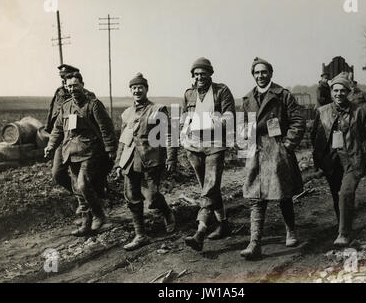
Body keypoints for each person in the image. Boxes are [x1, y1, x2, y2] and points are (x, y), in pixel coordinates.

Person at [240, 57, 306, 260]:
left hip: (277, 152)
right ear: (253, 75)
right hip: (256, 153)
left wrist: (287, 144)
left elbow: (298, 120)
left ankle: (290, 230)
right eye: (256, 73)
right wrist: (245, 135)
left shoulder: (282, 95)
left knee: (282, 194)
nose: (260, 76)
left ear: (270, 74)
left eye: (264, 72)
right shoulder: (247, 99)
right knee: (255, 198)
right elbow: (246, 124)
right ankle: (255, 243)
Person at [44, 72, 117, 236]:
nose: (72, 89)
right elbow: (58, 130)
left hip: (90, 152)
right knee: (77, 188)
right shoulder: (66, 106)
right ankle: (86, 222)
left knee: (83, 184)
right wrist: (50, 146)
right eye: (69, 86)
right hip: (71, 153)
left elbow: (106, 129)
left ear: (82, 85)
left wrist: (111, 149)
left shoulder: (94, 105)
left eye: (75, 85)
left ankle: (99, 215)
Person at [311, 72, 366, 246]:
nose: (339, 94)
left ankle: (344, 233)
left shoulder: (360, 112)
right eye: (336, 90)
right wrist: (317, 162)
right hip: (331, 160)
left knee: (345, 193)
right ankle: (344, 225)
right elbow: (315, 138)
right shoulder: (322, 112)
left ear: (348, 92)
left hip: (353, 158)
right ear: (331, 92)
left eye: (342, 91)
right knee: (336, 195)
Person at [114, 73, 177, 251]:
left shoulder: (158, 109)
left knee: (153, 198)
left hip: (151, 158)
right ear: (130, 90)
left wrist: (171, 157)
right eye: (134, 88)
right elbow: (123, 139)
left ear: (146, 89)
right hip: (129, 159)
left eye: (140, 87)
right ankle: (140, 235)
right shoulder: (127, 113)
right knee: (132, 197)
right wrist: (119, 162)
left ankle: (167, 213)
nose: (137, 90)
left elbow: (169, 135)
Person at [181, 57, 236, 251]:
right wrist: (183, 134)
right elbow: (184, 118)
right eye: (196, 74)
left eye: (203, 73)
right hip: (194, 147)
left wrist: (211, 122)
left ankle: (201, 230)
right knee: (209, 188)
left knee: (210, 187)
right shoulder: (189, 94)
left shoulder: (222, 90)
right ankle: (224, 224)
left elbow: (229, 116)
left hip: (215, 145)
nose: (199, 77)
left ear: (210, 74)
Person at [46, 64, 99, 213]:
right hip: (63, 140)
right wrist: (51, 140)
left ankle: (88, 204)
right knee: (57, 173)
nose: (64, 81)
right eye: (62, 78)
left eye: (66, 77)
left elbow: (94, 119)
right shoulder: (59, 93)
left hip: (81, 141)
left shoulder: (88, 95)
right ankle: (82, 196)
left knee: (83, 176)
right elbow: (54, 115)